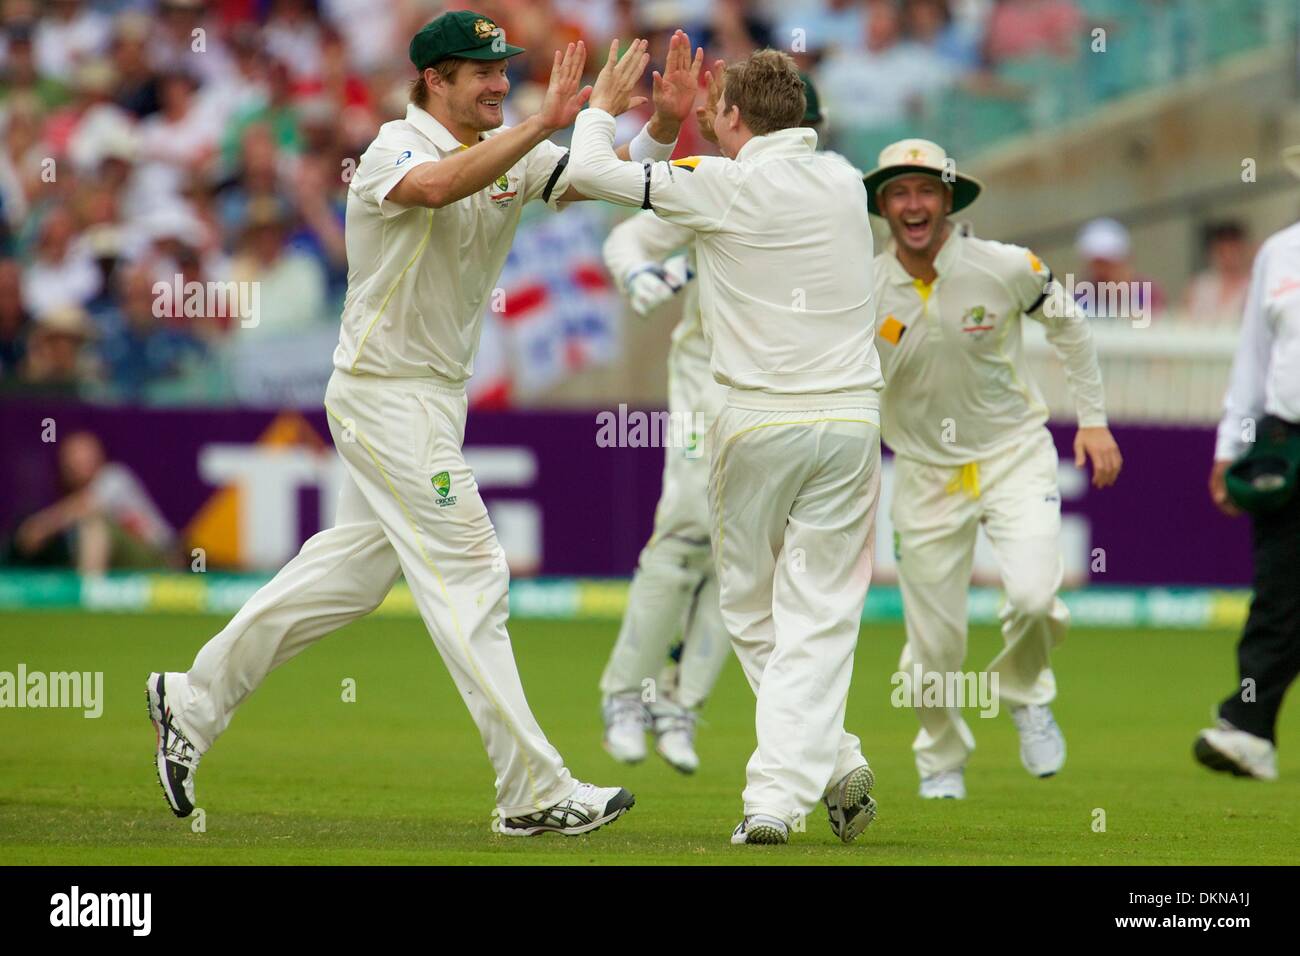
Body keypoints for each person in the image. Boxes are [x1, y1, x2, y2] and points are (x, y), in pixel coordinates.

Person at [146, 10, 695, 837]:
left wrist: (652, 124)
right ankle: (531, 790)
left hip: (434, 396)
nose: (502, 83)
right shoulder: (390, 150)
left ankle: (190, 698)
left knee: (353, 576)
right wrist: (550, 122)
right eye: (484, 72)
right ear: (435, 79)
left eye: (505, 69)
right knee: (473, 573)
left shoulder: (508, 146)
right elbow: (439, 187)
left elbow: (596, 178)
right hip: (383, 392)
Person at [570, 37, 882, 845]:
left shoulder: (719, 184)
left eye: (716, 108)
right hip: (850, 427)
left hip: (757, 426)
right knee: (819, 616)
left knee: (752, 613)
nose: (706, 116)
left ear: (736, 117)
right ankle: (835, 757)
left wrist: (613, 112)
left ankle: (774, 801)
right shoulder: (848, 181)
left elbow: (593, 177)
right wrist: (687, 123)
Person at [863, 138, 1121, 799]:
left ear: (948, 199)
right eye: (898, 192)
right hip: (924, 471)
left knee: (1036, 597)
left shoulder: (1004, 266)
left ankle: (1025, 692)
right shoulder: (866, 288)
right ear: (883, 206)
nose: (913, 205)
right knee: (932, 655)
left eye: (925, 191)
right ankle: (942, 758)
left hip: (1012, 453)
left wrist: (1092, 421)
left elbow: (1072, 328)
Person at [596, 73, 830, 776]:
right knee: (690, 525)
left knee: (746, 555)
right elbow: (629, 239)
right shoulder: (719, 181)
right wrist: (639, 275)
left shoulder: (833, 202)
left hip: (782, 399)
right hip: (707, 387)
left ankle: (682, 702)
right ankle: (626, 695)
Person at [1198, 167, 1300, 780]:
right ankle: (1250, 729)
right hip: (1287, 441)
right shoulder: (1280, 252)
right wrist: (1230, 446)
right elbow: (1252, 362)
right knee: (1279, 592)